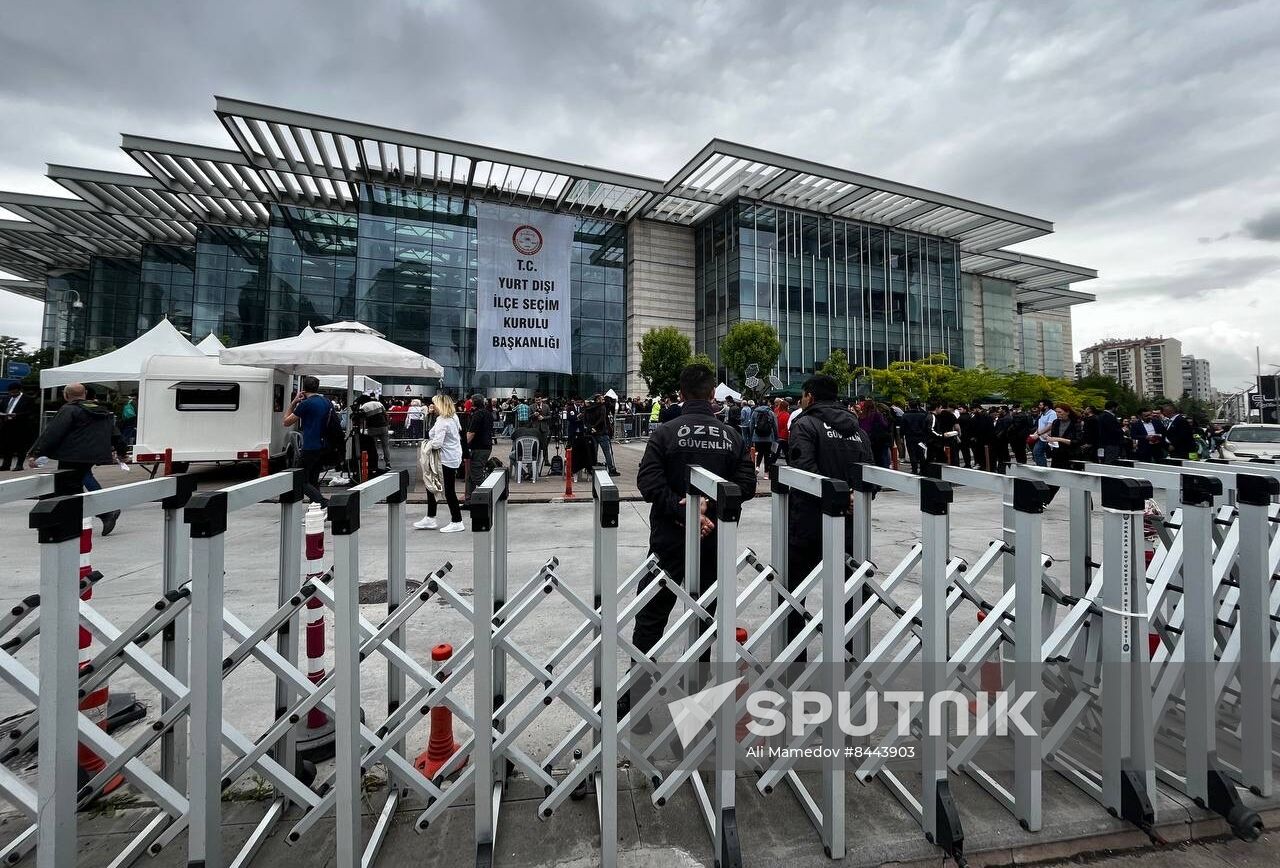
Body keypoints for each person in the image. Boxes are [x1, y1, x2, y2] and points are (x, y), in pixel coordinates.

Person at [621, 363, 757, 730]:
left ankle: (638, 705)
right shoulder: (731, 435)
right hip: (714, 542)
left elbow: (648, 481)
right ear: (713, 395)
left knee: (650, 620)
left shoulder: (666, 431)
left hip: (668, 541)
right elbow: (745, 485)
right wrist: (707, 509)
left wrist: (683, 511)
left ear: (680, 394)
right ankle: (698, 706)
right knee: (706, 622)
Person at [786, 374, 874, 659]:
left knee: (794, 594)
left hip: (809, 524)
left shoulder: (805, 425)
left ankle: (795, 660)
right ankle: (847, 655)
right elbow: (871, 475)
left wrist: (835, 497)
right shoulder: (858, 432)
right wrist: (852, 497)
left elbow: (803, 471)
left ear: (809, 396)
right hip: (849, 525)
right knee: (848, 593)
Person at [25, 383, 124, 535]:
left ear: (65, 395)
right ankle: (102, 513)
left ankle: (96, 515)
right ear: (84, 393)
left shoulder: (69, 410)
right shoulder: (101, 410)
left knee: (64, 489)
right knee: (71, 487)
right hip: (93, 456)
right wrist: (122, 452)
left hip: (71, 455)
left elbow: (52, 433)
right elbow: (115, 434)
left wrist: (36, 453)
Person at [413, 394, 465, 533]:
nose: (432, 406)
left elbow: (437, 443)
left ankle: (456, 520)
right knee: (436, 487)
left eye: (434, 404)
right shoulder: (453, 417)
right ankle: (431, 517)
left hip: (444, 458)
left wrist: (426, 445)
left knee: (446, 490)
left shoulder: (443, 421)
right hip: (452, 457)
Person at [283, 376, 333, 508]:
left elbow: (286, 421)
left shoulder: (306, 404)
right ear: (317, 387)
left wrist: (294, 402)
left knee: (300, 480)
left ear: (303, 389)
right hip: (323, 445)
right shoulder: (327, 402)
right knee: (313, 480)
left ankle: (322, 502)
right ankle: (315, 509)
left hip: (310, 445)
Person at [1, 383, 38, 470]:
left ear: (19, 390)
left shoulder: (27, 399)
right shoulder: (6, 398)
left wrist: (16, 415)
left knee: (20, 446)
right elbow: (2, 408)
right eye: (10, 392)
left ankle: (19, 465)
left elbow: (30, 412)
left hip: (21, 426)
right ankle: (6, 465)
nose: (12, 394)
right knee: (7, 446)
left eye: (14, 392)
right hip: (7, 425)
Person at [465, 392, 494, 498]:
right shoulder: (488, 413)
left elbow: (471, 432)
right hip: (486, 446)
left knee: (476, 475)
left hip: (478, 447)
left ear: (473, 402)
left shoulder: (477, 414)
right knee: (470, 476)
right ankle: (469, 500)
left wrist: (463, 445)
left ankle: (493, 493)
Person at [586, 395, 619, 476]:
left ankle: (592, 468)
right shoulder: (602, 407)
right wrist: (595, 427)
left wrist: (591, 428)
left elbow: (586, 421)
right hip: (601, 432)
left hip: (593, 433)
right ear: (597, 400)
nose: (604, 400)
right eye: (602, 399)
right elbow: (602, 419)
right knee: (607, 452)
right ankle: (611, 469)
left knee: (594, 452)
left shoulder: (589, 408)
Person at [858, 399, 892, 468]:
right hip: (876, 440)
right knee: (881, 459)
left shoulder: (861, 416)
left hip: (865, 439)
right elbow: (884, 425)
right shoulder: (877, 414)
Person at [900, 401, 931, 474]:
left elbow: (902, 428)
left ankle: (914, 469)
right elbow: (925, 427)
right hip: (921, 437)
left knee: (912, 453)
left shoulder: (905, 416)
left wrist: (901, 436)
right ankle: (923, 470)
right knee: (921, 453)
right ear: (917, 406)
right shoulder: (923, 415)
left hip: (909, 437)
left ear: (909, 406)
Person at [751, 398, 777, 473]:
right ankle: (766, 471)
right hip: (768, 437)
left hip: (757, 436)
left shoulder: (755, 412)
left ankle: (758, 466)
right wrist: (776, 436)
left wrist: (751, 435)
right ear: (767, 404)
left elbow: (751, 425)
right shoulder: (771, 413)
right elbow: (775, 425)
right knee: (767, 453)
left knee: (759, 452)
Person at [1031, 399, 1058, 467]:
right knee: (1036, 452)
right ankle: (1042, 467)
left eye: (1040, 405)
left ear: (1046, 406)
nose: (1039, 406)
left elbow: (1050, 425)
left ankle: (1043, 468)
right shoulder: (1043, 414)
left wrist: (1039, 433)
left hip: (1048, 437)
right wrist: (1036, 432)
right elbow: (1041, 425)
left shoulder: (1052, 413)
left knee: (1038, 452)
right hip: (1041, 437)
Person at [773, 398, 791, 466]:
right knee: (786, 452)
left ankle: (770, 466)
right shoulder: (787, 415)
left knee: (775, 452)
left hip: (777, 435)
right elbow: (787, 426)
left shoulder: (777, 414)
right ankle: (790, 465)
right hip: (784, 436)